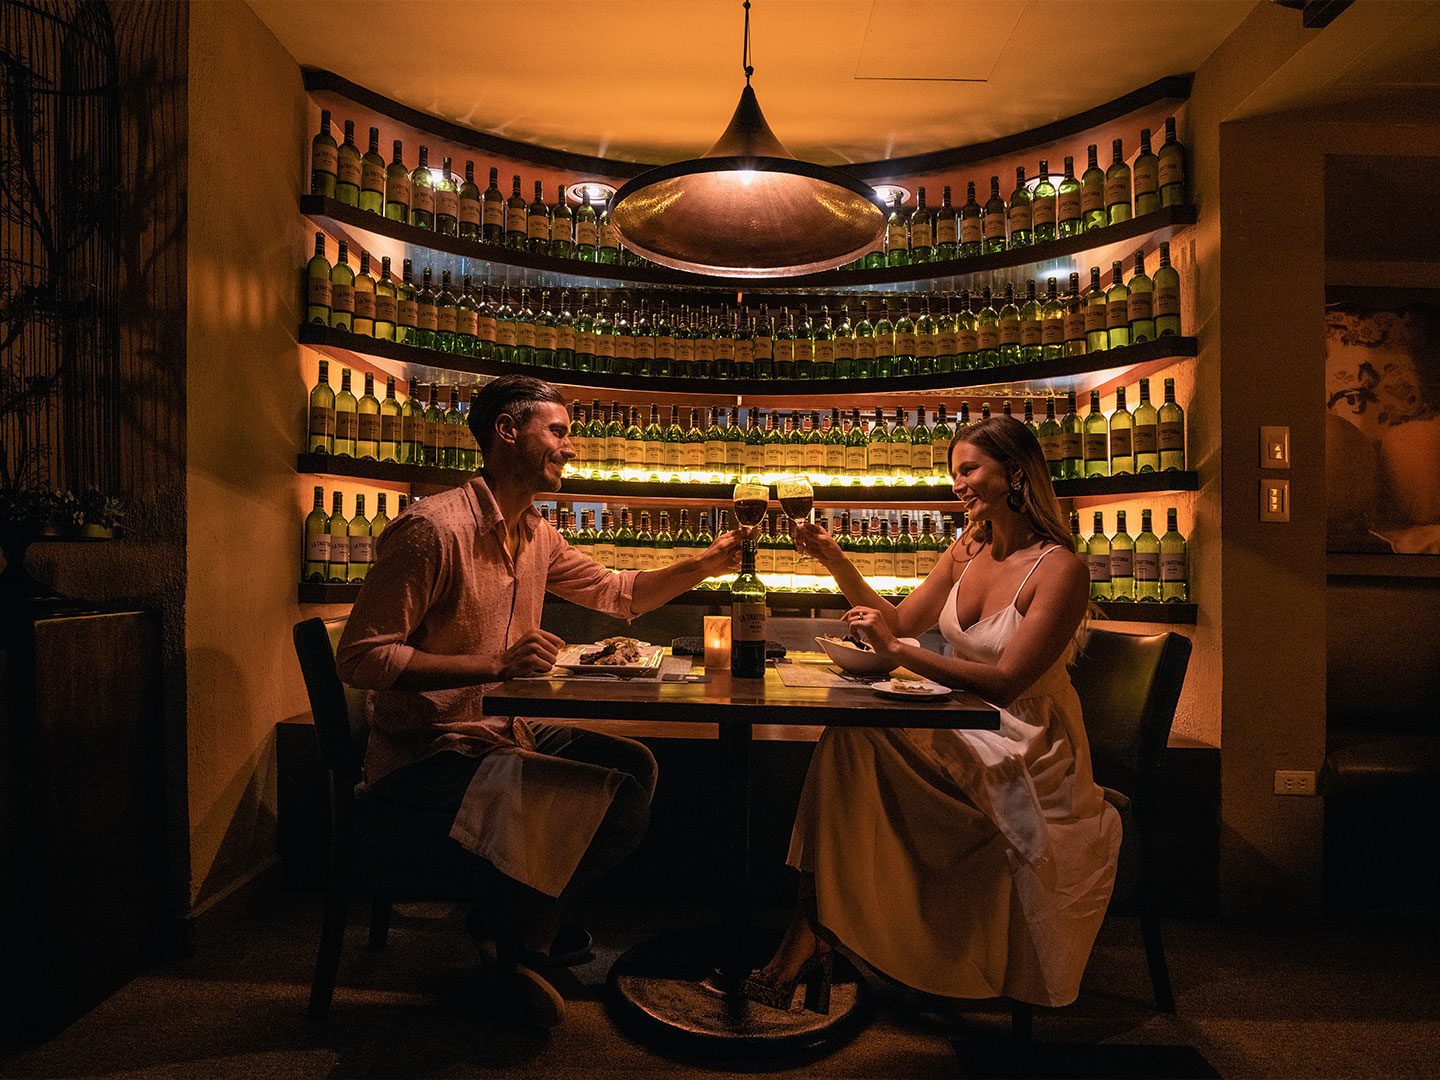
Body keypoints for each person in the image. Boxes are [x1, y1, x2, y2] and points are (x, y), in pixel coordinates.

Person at [336, 375, 742, 1026]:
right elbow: (360, 657)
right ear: (506, 431)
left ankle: (521, 920)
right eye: (557, 431)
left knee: (633, 767)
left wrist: (709, 561)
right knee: (613, 799)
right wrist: (492, 663)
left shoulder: (535, 534)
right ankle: (520, 943)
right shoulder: (430, 531)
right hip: (427, 755)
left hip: (499, 732)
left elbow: (618, 594)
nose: (570, 447)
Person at [744, 414, 1120, 1013]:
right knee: (850, 739)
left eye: (969, 470)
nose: (957, 484)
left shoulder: (1061, 569)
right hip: (965, 726)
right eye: (954, 473)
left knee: (854, 742)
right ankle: (815, 928)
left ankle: (813, 933)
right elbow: (898, 625)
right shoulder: (967, 549)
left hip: (1028, 744)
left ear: (1016, 472)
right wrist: (834, 559)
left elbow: (1008, 683)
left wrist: (897, 656)